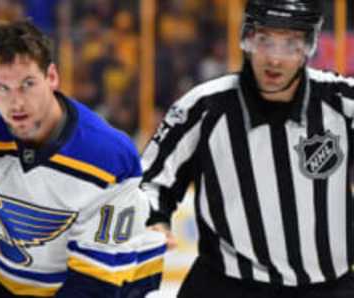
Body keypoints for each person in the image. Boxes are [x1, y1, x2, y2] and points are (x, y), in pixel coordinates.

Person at [0, 19, 165, 298]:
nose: (16, 102)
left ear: (52, 77)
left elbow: (96, 279)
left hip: (109, 280)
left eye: (27, 84)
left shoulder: (109, 158)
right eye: (2, 88)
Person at [141, 0, 354, 297]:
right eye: (264, 40)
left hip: (328, 288)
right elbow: (150, 180)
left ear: (308, 46)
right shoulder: (204, 107)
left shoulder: (343, 103)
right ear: (247, 40)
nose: (275, 59)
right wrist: (153, 221)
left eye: (290, 44)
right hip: (227, 286)